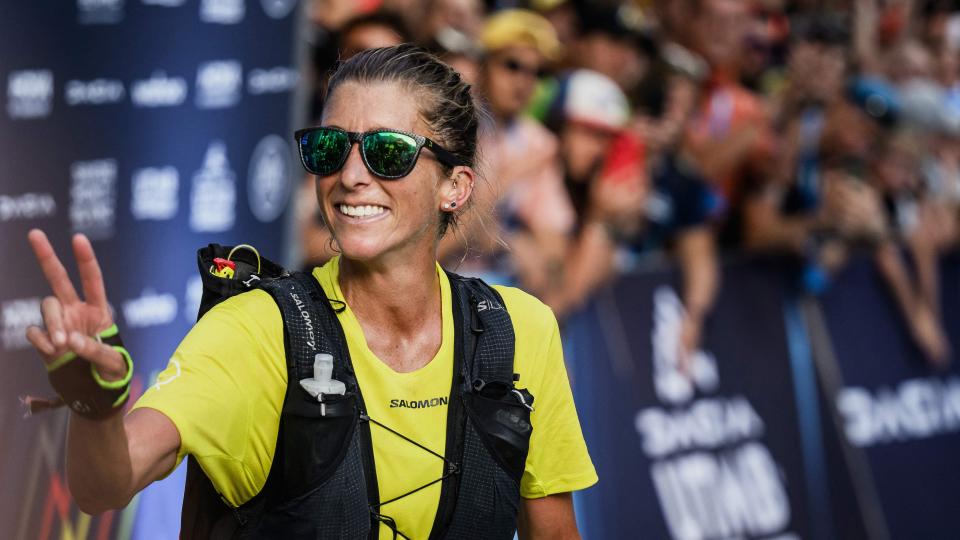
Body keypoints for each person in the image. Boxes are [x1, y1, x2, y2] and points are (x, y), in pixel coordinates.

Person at [23, 44, 596, 539]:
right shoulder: (258, 328)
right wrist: (95, 406)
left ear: (455, 185)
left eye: (387, 152)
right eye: (329, 148)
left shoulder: (519, 330)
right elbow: (108, 483)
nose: (350, 175)